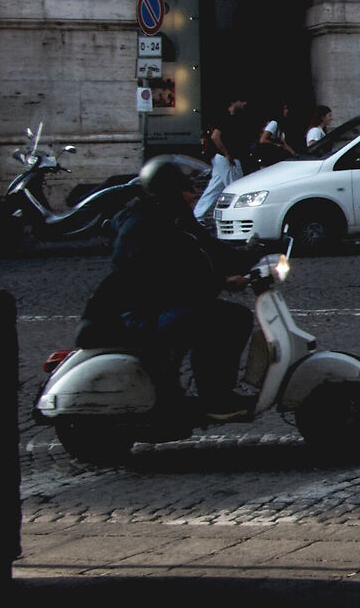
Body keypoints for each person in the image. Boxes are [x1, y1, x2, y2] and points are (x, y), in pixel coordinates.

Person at [89, 155, 254, 419]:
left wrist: (251, 254)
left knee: (234, 317)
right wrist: (220, 282)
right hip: (143, 312)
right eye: (186, 188)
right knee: (220, 321)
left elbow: (207, 247)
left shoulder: (173, 217)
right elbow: (161, 279)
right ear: (168, 191)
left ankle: (215, 392)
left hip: (164, 305)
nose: (194, 194)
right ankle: (214, 399)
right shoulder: (140, 226)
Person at [193, 114, 241, 222]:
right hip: (226, 157)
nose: (244, 105)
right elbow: (215, 136)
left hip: (220, 157)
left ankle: (198, 215)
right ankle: (237, 215)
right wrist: (226, 153)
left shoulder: (226, 118)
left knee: (215, 188)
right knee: (235, 186)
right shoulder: (227, 118)